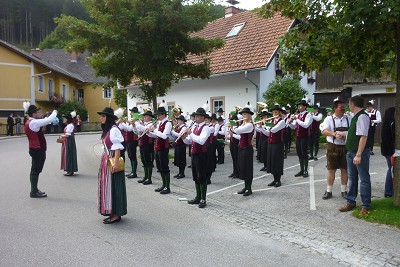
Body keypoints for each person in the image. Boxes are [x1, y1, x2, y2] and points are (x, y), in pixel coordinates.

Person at [339, 95, 371, 217]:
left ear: (353, 104)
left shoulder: (362, 116)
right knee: (352, 178)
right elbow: (357, 133)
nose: (348, 106)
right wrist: (345, 135)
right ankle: (351, 202)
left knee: (364, 179)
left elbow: (363, 136)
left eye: (349, 104)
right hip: (351, 151)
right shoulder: (356, 116)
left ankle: (366, 206)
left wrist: (358, 154)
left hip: (358, 152)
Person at [97, 107, 126, 224]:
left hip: (113, 159)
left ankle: (116, 214)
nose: (101, 118)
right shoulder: (109, 129)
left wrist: (116, 163)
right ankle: (111, 211)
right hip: (107, 158)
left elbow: (118, 147)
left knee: (115, 186)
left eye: (103, 116)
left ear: (108, 118)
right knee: (109, 186)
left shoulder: (114, 130)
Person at [321, 98, 351, 199]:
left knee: (345, 169)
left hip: (345, 146)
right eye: (341, 107)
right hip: (333, 147)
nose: (343, 108)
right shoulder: (329, 119)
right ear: (335, 108)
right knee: (331, 170)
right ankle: (328, 191)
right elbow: (324, 131)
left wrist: (346, 135)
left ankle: (344, 191)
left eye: (344, 107)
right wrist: (334, 134)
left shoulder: (348, 118)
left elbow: (352, 131)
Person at [24, 105, 58, 198]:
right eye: (38, 112)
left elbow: (44, 120)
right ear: (34, 114)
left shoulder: (31, 122)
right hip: (37, 149)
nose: (40, 113)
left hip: (35, 148)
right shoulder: (33, 122)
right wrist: (55, 112)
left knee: (35, 170)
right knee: (35, 170)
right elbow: (47, 121)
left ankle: (34, 189)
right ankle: (34, 191)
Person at [183, 107, 211, 208]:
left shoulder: (206, 128)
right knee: (195, 176)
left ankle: (203, 198)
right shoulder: (195, 127)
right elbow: (190, 141)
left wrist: (191, 133)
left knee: (202, 176)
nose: (195, 118)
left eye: (197, 116)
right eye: (195, 116)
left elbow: (201, 140)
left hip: (201, 155)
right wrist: (184, 138)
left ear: (203, 117)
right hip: (194, 154)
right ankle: (198, 197)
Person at [148, 106, 172, 194]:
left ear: (163, 114)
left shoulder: (168, 123)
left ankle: (167, 187)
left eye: (158, 115)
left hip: (163, 149)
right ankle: (163, 185)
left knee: (165, 167)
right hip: (157, 148)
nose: (157, 117)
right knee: (160, 167)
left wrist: (154, 130)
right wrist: (149, 133)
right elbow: (157, 135)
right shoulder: (160, 123)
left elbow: (164, 136)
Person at [289, 98, 313, 178]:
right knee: (299, 153)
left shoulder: (309, 115)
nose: (299, 108)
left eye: (301, 106)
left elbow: (305, 125)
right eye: (299, 106)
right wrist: (290, 122)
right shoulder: (298, 115)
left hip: (305, 137)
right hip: (298, 137)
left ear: (305, 107)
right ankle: (301, 169)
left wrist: (297, 119)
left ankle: (306, 170)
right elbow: (293, 127)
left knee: (304, 153)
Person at [234, 107, 255, 196]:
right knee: (243, 168)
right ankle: (245, 187)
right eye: (242, 114)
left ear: (249, 115)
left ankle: (249, 188)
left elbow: (238, 131)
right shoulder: (243, 124)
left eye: (245, 114)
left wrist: (234, 126)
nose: (243, 116)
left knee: (247, 169)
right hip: (242, 148)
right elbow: (240, 136)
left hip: (247, 149)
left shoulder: (249, 125)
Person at [264, 104, 286, 187]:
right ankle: (274, 179)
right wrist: (261, 127)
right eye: (273, 112)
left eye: (276, 112)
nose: (274, 113)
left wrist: (266, 124)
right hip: (271, 143)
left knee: (277, 162)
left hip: (278, 144)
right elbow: (267, 133)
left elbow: (273, 130)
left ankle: (278, 180)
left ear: (279, 112)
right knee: (272, 162)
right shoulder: (272, 121)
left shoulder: (282, 121)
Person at [134, 110, 155, 184]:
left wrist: (136, 122)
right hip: (142, 144)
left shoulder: (151, 124)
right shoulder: (143, 124)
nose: (144, 117)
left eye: (146, 116)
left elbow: (144, 129)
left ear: (150, 117)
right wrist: (134, 125)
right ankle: (145, 177)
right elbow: (137, 131)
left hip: (148, 145)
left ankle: (149, 178)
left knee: (148, 161)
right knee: (144, 161)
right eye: (144, 116)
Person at [119, 107, 139, 179]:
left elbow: (129, 129)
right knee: (130, 156)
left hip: (133, 140)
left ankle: (134, 172)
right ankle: (132, 171)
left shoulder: (136, 120)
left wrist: (122, 122)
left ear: (134, 113)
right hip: (129, 140)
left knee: (133, 156)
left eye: (131, 112)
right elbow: (126, 128)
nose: (130, 113)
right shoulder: (131, 120)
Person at [380, 107, 395, 198]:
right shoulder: (392, 124)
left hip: (386, 150)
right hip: (391, 150)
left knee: (390, 169)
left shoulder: (385, 123)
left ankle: (389, 191)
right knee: (392, 169)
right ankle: (389, 191)